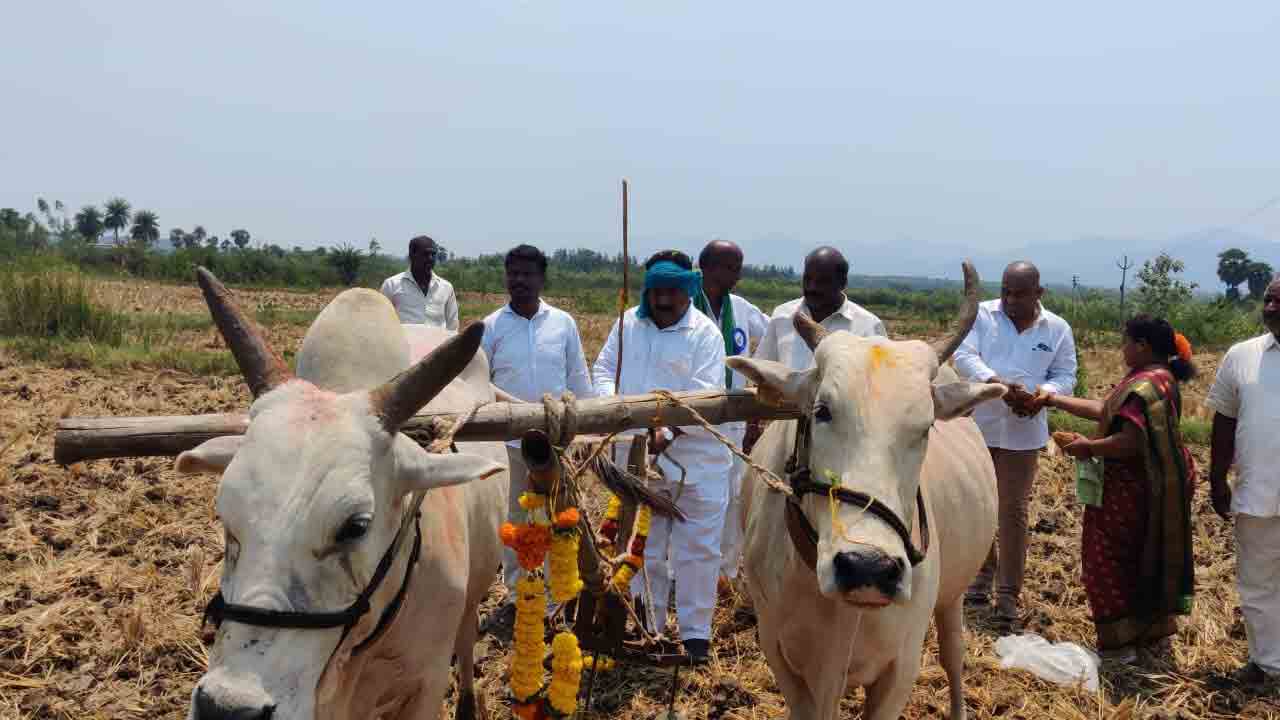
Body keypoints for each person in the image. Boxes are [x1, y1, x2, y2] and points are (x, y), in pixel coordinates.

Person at [592, 250, 733, 664]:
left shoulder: (705, 334)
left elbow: (706, 391)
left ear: (687, 292)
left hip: (697, 462)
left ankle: (694, 638)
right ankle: (645, 628)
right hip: (636, 459)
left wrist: (668, 430)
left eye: (673, 290)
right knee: (642, 548)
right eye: (657, 291)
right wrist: (614, 408)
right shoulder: (626, 327)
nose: (664, 299)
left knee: (697, 551)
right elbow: (602, 372)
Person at [1042, 315, 1196, 664]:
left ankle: (1119, 645)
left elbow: (1130, 441)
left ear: (1142, 345)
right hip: (1154, 485)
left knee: (1107, 560)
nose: (1121, 348)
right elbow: (1105, 410)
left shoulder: (1147, 385)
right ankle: (1147, 637)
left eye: (1125, 341)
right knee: (1143, 557)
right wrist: (1052, 400)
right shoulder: (1151, 378)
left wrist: (1089, 447)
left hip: (1133, 489)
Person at [478, 245, 595, 639]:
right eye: (513, 273)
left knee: (558, 521)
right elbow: (480, 382)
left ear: (542, 278)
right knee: (515, 523)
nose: (520, 280)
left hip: (556, 443)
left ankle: (553, 602)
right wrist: (518, 413)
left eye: (528, 274)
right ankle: (517, 600)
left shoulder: (562, 324)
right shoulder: (492, 326)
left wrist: (588, 428)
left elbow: (578, 377)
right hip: (509, 446)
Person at [952, 261, 1077, 624]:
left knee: (1012, 510)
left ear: (1039, 293)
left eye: (1019, 293)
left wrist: (1045, 394)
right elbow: (964, 355)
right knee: (978, 504)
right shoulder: (984, 316)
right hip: (981, 425)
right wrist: (997, 384)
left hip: (1025, 430)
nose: (1009, 299)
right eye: (1006, 290)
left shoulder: (1056, 328)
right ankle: (980, 576)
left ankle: (1008, 592)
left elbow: (1066, 373)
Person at [1205, 276, 1280, 686]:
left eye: (1279, 301)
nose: (1270, 307)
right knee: (1257, 583)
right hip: (1258, 491)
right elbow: (1224, 421)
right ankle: (1267, 664)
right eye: (1268, 299)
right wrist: (1217, 479)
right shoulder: (1242, 355)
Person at [693, 240, 770, 592]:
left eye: (738, 267)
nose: (736, 275)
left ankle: (725, 573)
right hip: (690, 420)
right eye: (729, 267)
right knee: (690, 495)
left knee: (733, 496)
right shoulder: (684, 307)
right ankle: (684, 572)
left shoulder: (740, 310)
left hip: (734, 419)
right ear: (705, 267)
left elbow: (772, 338)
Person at [754, 246, 885, 370]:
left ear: (843, 283)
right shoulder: (782, 315)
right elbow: (762, 369)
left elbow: (879, 383)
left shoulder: (869, 326)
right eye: (807, 279)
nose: (812, 287)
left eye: (823, 281)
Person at [379, 235, 459, 329]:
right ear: (411, 256)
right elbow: (381, 319)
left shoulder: (446, 287)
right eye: (425, 254)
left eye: (433, 254)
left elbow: (452, 325)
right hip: (404, 343)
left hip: (438, 343)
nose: (430, 258)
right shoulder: (391, 285)